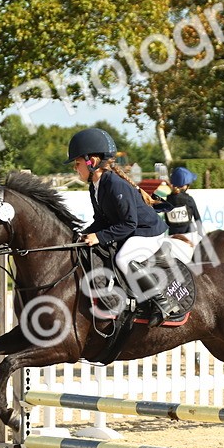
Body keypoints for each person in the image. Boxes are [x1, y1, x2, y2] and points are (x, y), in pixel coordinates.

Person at [69, 128, 179, 327]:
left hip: (147, 233)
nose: (75, 169)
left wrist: (99, 237)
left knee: (123, 258)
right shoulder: (95, 185)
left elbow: (129, 223)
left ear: (91, 161)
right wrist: (84, 234)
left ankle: (163, 302)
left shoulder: (115, 184)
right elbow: (102, 220)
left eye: (77, 164)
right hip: (132, 231)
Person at [162, 166, 204, 255]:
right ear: (185, 186)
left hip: (171, 237)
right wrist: (201, 236)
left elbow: (167, 222)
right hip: (189, 237)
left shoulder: (167, 200)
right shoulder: (189, 200)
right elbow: (197, 219)